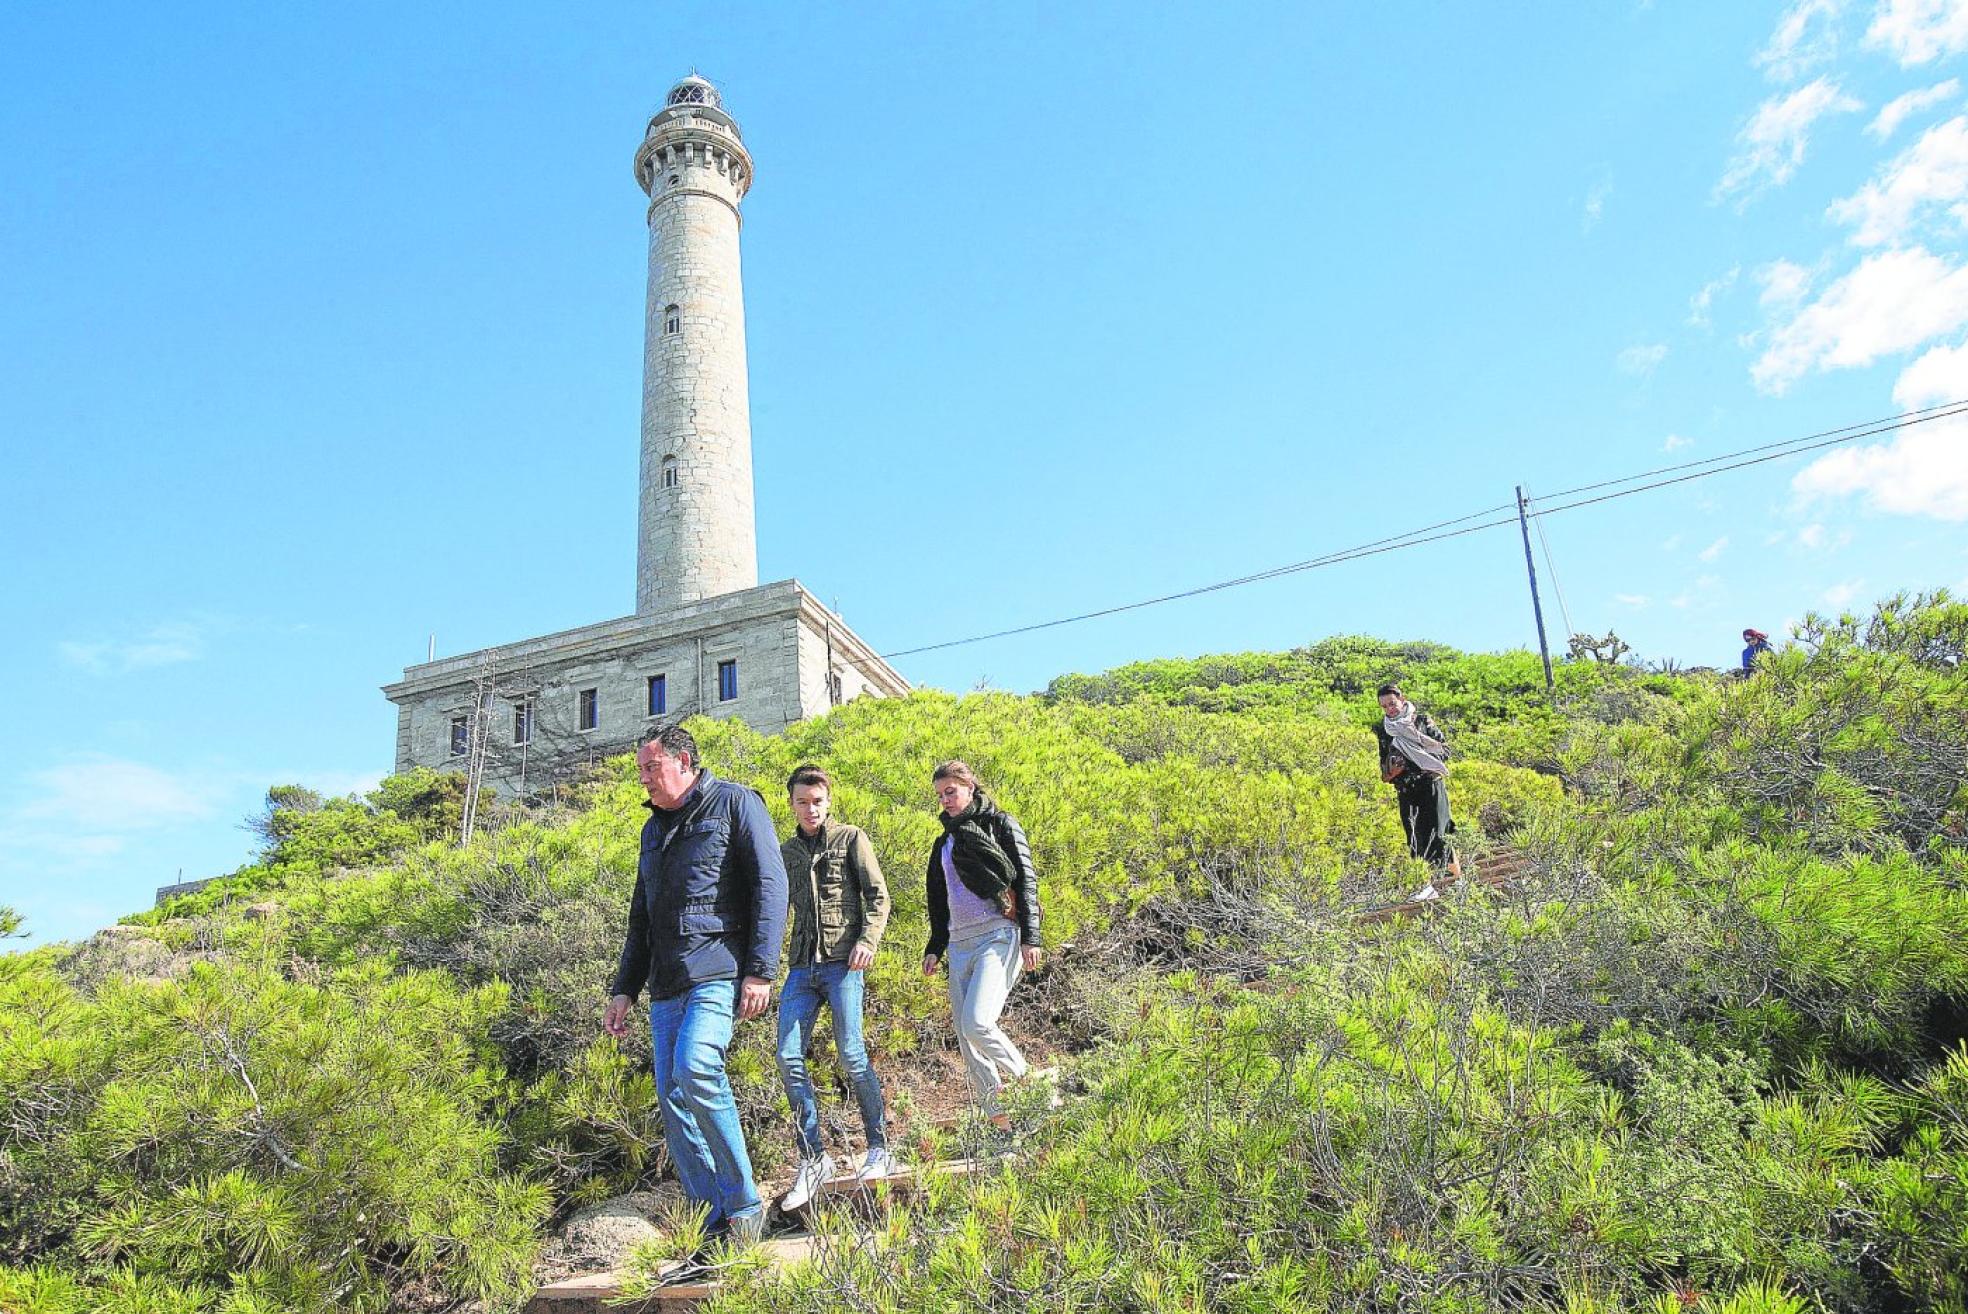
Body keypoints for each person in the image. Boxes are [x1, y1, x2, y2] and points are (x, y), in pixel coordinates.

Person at [603, 725, 788, 1247]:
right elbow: (641, 916)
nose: (643, 780)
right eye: (641, 770)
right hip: (665, 983)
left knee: (696, 1066)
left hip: (718, 969)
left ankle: (747, 1204)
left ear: (684, 761)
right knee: (671, 1095)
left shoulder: (735, 803)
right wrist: (624, 989)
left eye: (650, 768)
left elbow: (771, 886)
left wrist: (761, 969)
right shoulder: (651, 831)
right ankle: (715, 1219)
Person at [775, 764, 897, 1210]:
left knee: (851, 1052)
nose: (811, 808)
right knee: (787, 1056)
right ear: (791, 804)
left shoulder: (851, 839)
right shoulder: (785, 852)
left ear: (829, 802)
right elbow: (771, 908)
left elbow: (878, 895)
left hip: (844, 963)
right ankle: (814, 1158)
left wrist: (867, 940)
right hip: (801, 968)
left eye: (818, 801)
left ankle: (880, 1146)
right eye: (803, 801)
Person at [920, 760, 1043, 1130]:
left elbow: (1026, 879)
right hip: (959, 944)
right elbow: (939, 900)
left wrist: (1031, 937)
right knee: (967, 1041)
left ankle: (1029, 1082)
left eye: (951, 792)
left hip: (998, 934)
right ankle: (1003, 1124)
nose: (945, 800)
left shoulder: (1000, 823)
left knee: (977, 1022)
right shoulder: (943, 842)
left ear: (970, 788)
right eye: (940, 795)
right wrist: (935, 946)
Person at [1373, 684, 1461, 901]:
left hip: (1431, 785)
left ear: (1401, 699)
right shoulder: (1383, 729)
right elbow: (1383, 770)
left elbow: (1445, 750)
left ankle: (1455, 880)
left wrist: (1422, 759)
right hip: (1406, 790)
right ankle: (1426, 885)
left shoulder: (1422, 721)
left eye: (1392, 704)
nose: (1389, 710)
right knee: (1414, 837)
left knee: (1441, 833)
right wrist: (1393, 768)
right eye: (1384, 706)